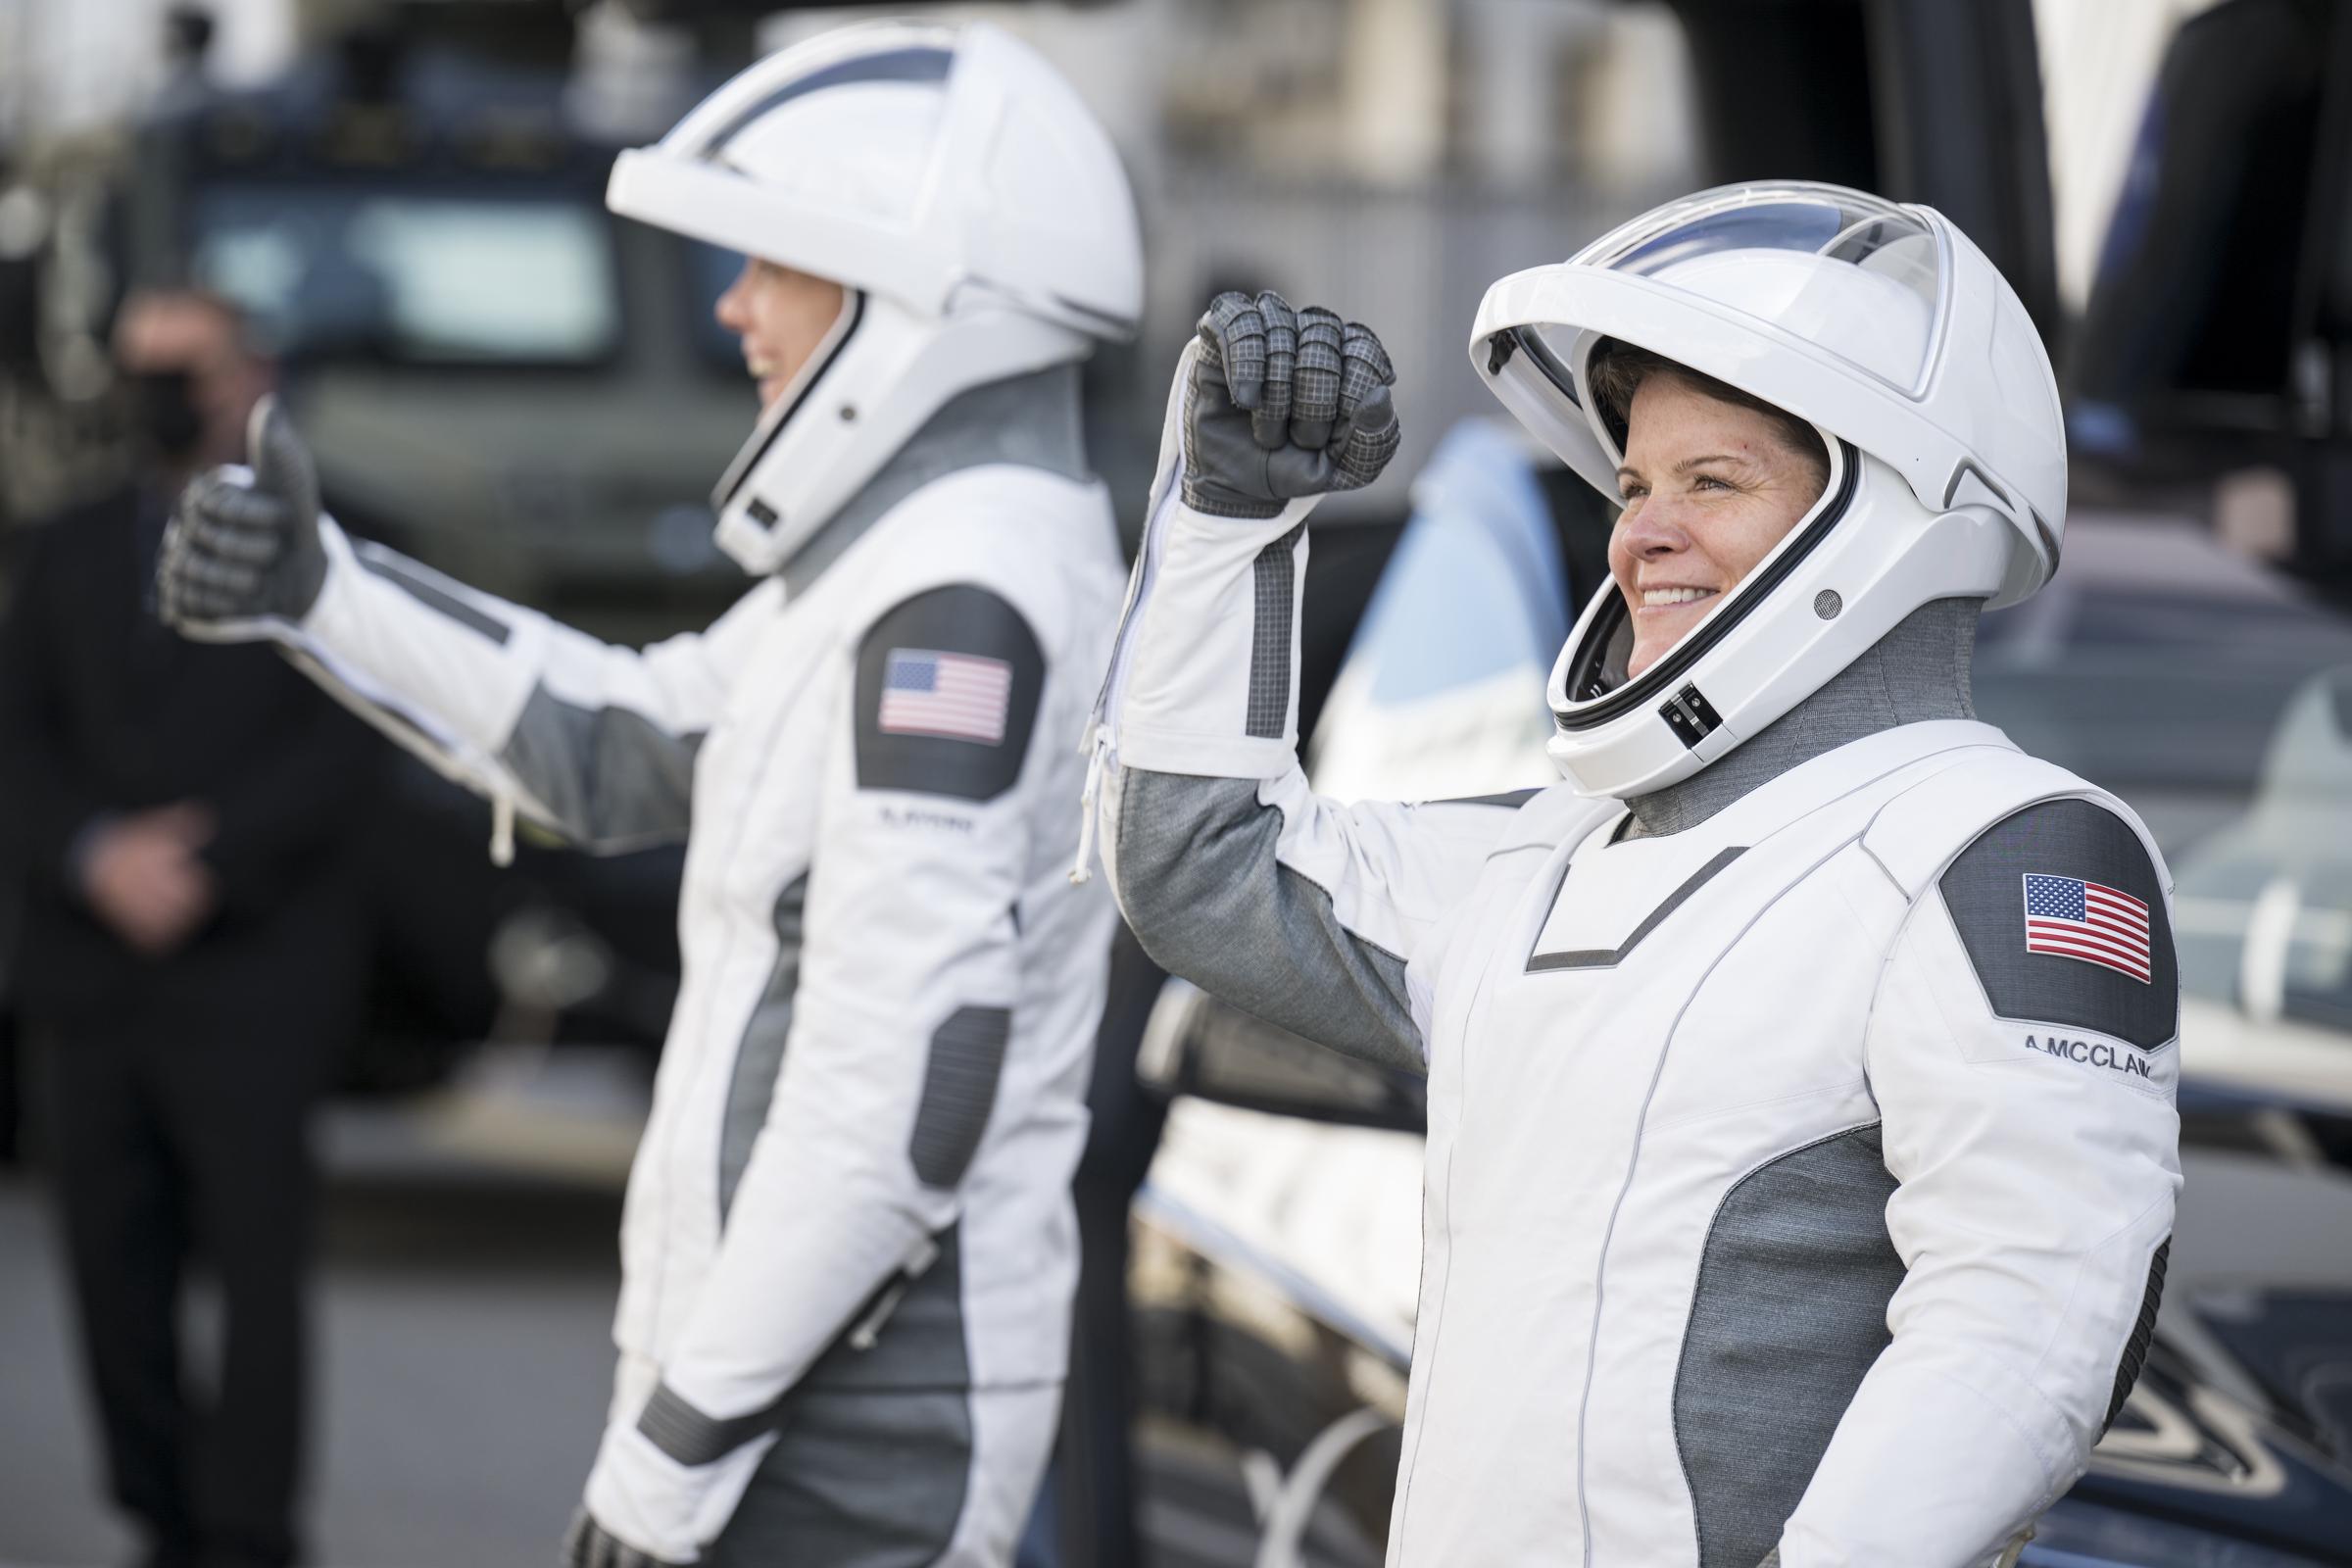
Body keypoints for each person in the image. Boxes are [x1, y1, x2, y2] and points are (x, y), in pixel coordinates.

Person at [1084, 182, 2181, 1567]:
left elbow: (2032, 1325)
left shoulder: (2002, 845)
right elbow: (1193, 865)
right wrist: (1227, 518)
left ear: (1899, 513)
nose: (1638, 535)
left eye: (1711, 482)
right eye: (1632, 485)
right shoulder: (1545, 851)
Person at [155, 21, 1136, 1567]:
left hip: (853, 1422)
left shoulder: (962, 592)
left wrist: (670, 1459)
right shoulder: (907, 562)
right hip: (794, 1392)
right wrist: (318, 586)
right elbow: (621, 734)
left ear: (915, 290)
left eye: (770, 265)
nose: (734, 307)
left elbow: (902, 1092)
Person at [0, 288, 376, 1568]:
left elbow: (351, 746)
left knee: (260, 1278)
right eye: (138, 371)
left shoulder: (340, 546)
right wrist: (94, 853)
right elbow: (19, 737)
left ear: (249, 372)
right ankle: (159, 1521)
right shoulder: (62, 546)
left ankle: (251, 1534)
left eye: (186, 368)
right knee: (114, 1281)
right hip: (95, 976)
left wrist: (206, 855)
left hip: (255, 975)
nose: (159, 394)